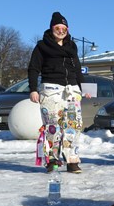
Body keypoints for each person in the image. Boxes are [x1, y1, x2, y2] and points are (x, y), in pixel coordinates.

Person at [29, 11, 89, 174]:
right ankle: (52, 160)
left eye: (64, 28)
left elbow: (77, 69)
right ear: (51, 28)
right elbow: (34, 68)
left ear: (67, 30)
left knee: (73, 127)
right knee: (52, 127)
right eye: (58, 27)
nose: (61, 30)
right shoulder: (42, 46)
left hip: (71, 91)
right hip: (51, 91)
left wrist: (85, 88)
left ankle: (72, 160)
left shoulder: (72, 47)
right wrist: (33, 89)